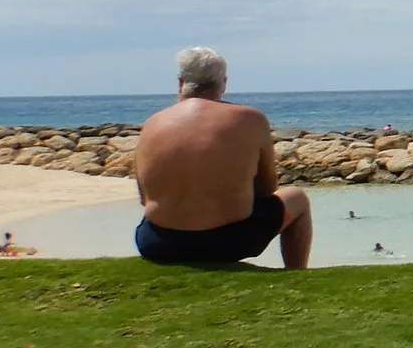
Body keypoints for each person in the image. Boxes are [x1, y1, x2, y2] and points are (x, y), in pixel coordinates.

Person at [133, 48, 313, 268]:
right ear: (223, 83)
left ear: (181, 81)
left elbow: (145, 197)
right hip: (231, 241)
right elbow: (267, 189)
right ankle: (298, 272)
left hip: (159, 243)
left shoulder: (152, 123)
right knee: (297, 197)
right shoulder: (250, 118)